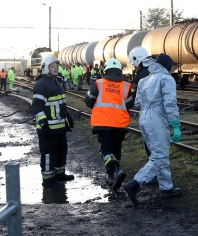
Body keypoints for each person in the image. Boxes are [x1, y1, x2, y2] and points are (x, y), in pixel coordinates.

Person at [123, 53, 182, 205]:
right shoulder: (166, 79)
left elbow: (137, 103)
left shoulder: (144, 80)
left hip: (144, 118)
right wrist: (175, 124)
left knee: (157, 154)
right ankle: (135, 184)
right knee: (160, 155)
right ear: (168, 67)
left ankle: (166, 188)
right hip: (156, 119)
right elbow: (170, 103)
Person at [84, 58, 134, 191]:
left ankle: (114, 171)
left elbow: (88, 101)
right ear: (120, 71)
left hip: (103, 124)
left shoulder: (99, 84)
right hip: (120, 125)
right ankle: (113, 174)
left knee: (106, 150)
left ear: (105, 70)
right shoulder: (126, 86)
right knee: (116, 149)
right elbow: (130, 104)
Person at [31, 54, 74, 187]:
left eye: (56, 66)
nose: (56, 68)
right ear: (46, 68)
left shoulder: (55, 81)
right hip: (48, 127)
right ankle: (48, 180)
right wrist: (43, 123)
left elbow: (59, 102)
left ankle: (59, 174)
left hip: (59, 126)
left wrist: (66, 115)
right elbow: (37, 105)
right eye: (52, 66)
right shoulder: (42, 84)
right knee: (49, 153)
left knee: (61, 150)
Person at [127, 46, 157, 183]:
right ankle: (156, 174)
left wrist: (127, 101)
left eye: (134, 64)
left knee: (151, 146)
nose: (134, 67)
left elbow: (138, 98)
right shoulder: (155, 69)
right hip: (158, 114)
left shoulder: (143, 75)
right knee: (156, 146)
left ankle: (149, 176)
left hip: (149, 114)